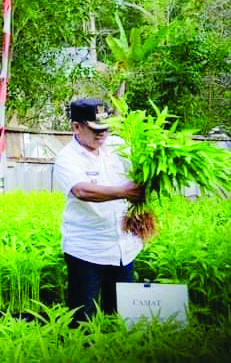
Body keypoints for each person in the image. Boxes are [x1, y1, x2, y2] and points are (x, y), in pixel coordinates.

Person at [52, 98, 144, 326]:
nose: (102, 134)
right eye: (95, 130)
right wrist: (125, 191)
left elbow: (143, 168)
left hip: (124, 250)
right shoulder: (67, 158)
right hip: (87, 251)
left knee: (120, 319)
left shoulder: (118, 146)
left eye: (106, 128)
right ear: (76, 127)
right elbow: (82, 190)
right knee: (83, 321)